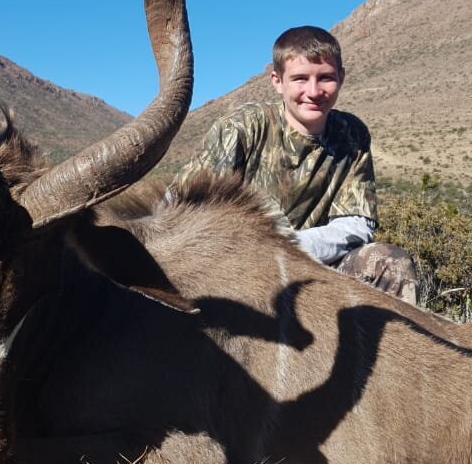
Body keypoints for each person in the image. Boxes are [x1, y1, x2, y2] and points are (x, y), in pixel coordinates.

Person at [175, 26, 416, 300]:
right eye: (300, 79)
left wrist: (286, 249)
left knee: (391, 263)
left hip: (312, 264)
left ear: (342, 78)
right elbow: (182, 207)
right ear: (277, 81)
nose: (313, 91)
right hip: (237, 264)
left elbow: (355, 226)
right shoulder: (243, 127)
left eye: (325, 78)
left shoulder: (352, 134)